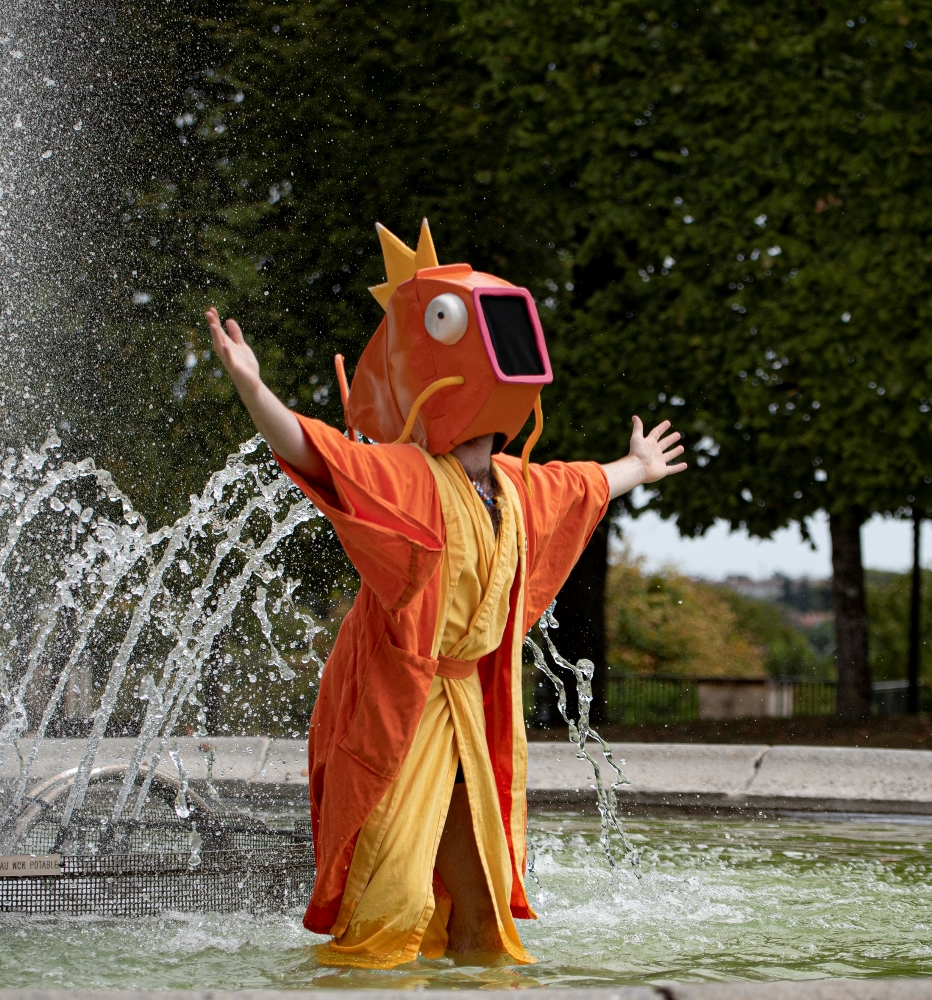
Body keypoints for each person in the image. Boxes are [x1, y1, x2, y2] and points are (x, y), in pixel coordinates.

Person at [204, 219, 686, 969]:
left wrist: (638, 468)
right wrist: (253, 386)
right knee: (391, 884)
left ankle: (470, 969)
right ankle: (366, 975)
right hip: (406, 701)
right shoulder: (408, 475)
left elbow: (586, 483)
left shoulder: (517, 486)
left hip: (473, 702)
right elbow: (317, 452)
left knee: (484, 893)